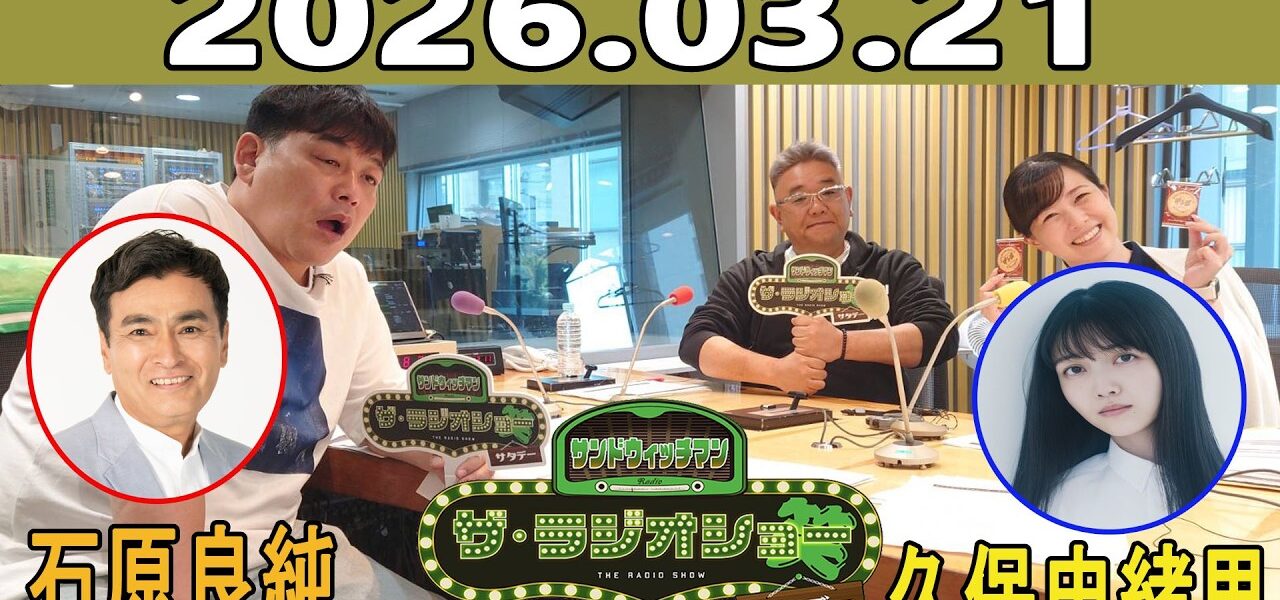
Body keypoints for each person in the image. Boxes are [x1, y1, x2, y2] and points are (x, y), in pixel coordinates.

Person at [0, 86, 490, 598]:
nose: (352, 192)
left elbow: (377, 413)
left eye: (370, 177)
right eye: (329, 161)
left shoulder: (344, 279)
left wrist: (447, 450)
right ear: (251, 158)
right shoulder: (180, 222)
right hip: (95, 561)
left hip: (267, 558)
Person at [963, 152, 1279, 427]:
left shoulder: (1196, 270)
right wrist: (1009, 334)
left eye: (1081, 197)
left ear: (1105, 193)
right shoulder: (1045, 310)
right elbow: (1032, 413)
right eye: (1051, 216)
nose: (1078, 220)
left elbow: (1243, 379)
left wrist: (1200, 292)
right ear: (1033, 241)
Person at [680, 141, 957, 404]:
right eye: (799, 198)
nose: (817, 207)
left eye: (829, 192)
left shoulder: (891, 268)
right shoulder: (753, 276)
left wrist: (842, 343)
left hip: (871, 427)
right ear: (778, 216)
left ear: (848, 199)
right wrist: (775, 372)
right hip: (777, 426)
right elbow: (696, 341)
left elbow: (940, 335)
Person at [1012, 281, 1224, 529]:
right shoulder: (1062, 500)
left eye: (1124, 357)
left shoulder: (1241, 480)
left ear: (1171, 358)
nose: (1104, 388)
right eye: (1075, 369)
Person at [56, 230, 247, 498]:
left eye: (189, 329)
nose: (169, 357)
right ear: (105, 349)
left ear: (223, 343)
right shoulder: (54, 470)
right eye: (140, 332)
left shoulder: (248, 465)